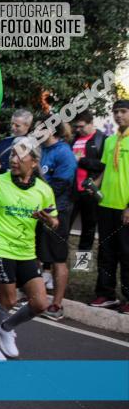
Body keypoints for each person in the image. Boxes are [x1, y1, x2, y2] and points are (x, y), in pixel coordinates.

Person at [0, 138, 57, 360]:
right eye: (12, 155)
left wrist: (49, 221)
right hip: (0, 249)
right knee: (8, 300)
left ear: (34, 161)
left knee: (40, 303)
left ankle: (6, 328)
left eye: (20, 155)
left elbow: (55, 222)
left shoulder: (44, 190)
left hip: (26, 252)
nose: (14, 159)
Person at [89, 100, 129, 312]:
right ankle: (106, 294)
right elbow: (106, 171)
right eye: (115, 112)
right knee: (106, 252)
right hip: (106, 204)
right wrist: (95, 185)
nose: (118, 115)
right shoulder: (111, 140)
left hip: (125, 207)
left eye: (123, 111)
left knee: (127, 254)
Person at [37, 122, 77, 320]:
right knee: (39, 256)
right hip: (39, 211)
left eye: (40, 129)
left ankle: (57, 305)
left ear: (51, 130)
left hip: (58, 212)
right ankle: (37, 298)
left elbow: (61, 185)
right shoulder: (42, 149)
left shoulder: (64, 153)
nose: (36, 133)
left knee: (58, 259)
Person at [70, 112, 106, 251]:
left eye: (81, 127)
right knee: (63, 226)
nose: (78, 130)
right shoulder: (74, 139)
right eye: (76, 127)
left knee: (88, 229)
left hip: (90, 191)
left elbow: (104, 165)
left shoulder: (101, 139)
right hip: (72, 191)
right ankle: (55, 263)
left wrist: (81, 160)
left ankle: (82, 264)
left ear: (91, 124)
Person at [0, 109, 33, 173]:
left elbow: (24, 173)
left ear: (28, 126)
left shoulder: (30, 146)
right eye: (12, 124)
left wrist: (0, 168)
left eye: (17, 126)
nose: (13, 127)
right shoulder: (5, 141)